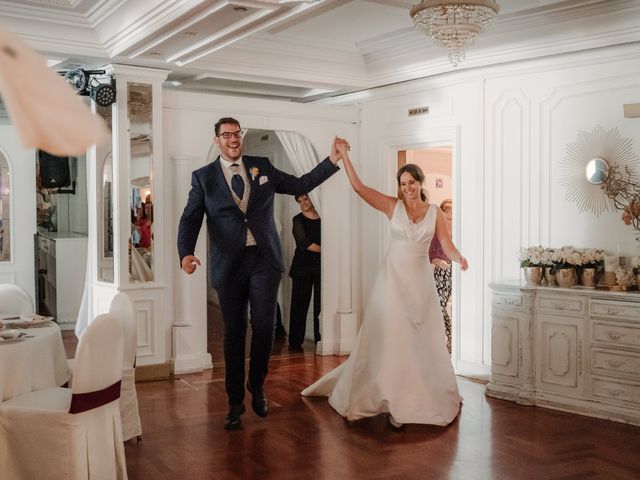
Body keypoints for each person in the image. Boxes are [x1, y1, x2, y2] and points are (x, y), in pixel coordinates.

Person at [177, 117, 341, 430]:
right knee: (234, 334)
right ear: (217, 141)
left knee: (265, 326)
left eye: (236, 133)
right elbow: (190, 219)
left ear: (241, 137)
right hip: (229, 265)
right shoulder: (203, 178)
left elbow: (300, 184)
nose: (232, 139)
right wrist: (186, 253)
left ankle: (258, 384)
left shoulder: (262, 166)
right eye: (226, 135)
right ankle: (235, 401)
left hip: (264, 259)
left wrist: (331, 160)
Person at [302, 141, 468, 428]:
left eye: (411, 183)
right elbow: (359, 188)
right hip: (392, 279)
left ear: (420, 183)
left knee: (422, 339)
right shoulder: (393, 206)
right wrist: (343, 158)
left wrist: (460, 258)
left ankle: (418, 396)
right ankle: (390, 399)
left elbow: (446, 244)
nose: (407, 188)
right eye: (402, 184)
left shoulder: (434, 213)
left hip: (420, 282)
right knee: (392, 336)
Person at [288, 193, 321, 351]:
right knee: (299, 306)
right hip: (302, 268)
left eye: (305, 199)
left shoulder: (323, 217)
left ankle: (320, 339)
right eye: (300, 201)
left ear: (312, 198)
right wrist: (326, 250)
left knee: (320, 306)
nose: (303, 203)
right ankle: (295, 342)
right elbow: (304, 243)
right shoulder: (298, 219)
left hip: (320, 268)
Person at [429, 198, 453, 354]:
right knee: (439, 306)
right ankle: (449, 336)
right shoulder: (436, 231)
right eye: (447, 212)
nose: (450, 215)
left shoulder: (461, 230)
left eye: (452, 212)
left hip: (456, 271)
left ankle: (453, 340)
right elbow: (430, 253)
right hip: (441, 272)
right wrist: (437, 261)